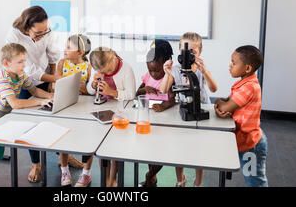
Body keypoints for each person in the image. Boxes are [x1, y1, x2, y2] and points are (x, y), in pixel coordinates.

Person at [5, 6, 83, 182]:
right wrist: (54, 77)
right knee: (31, 124)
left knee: (57, 119)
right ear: (26, 27)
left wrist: (53, 80)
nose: (42, 34)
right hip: (25, 80)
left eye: (45, 30)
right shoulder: (13, 36)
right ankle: (36, 163)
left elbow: (53, 53)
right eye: (38, 33)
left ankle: (63, 156)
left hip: (46, 74)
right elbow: (28, 70)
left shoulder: (45, 29)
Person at [0, 43, 53, 187]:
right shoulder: (2, 76)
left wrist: (51, 97)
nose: (24, 65)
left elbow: (34, 91)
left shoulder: (20, 74)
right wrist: (39, 102)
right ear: (6, 63)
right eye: (20, 62)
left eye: (24, 61)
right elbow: (15, 104)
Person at [159, 32, 218, 187]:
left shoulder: (201, 69)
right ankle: (181, 179)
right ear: (179, 50)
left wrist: (204, 71)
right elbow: (163, 90)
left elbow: (214, 88)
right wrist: (167, 73)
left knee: (199, 151)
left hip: (201, 108)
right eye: (185, 51)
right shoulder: (176, 69)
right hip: (184, 110)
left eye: (193, 52)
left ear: (200, 52)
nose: (189, 55)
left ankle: (198, 182)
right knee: (179, 149)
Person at [214, 45, 268, 187]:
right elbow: (229, 102)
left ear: (248, 69)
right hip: (243, 140)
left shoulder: (249, 87)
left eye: (233, 63)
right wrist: (223, 105)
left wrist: (219, 102)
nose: (230, 66)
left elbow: (226, 105)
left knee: (255, 182)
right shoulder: (244, 83)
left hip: (251, 144)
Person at [87, 47, 136, 187]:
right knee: (101, 148)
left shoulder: (126, 69)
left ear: (114, 58)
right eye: (103, 72)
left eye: (108, 71)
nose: (106, 74)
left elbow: (131, 95)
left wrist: (112, 92)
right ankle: (106, 176)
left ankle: (112, 179)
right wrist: (93, 84)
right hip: (101, 112)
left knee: (115, 149)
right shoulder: (97, 69)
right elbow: (90, 91)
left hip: (120, 112)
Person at [56, 34, 94, 187]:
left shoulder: (88, 67)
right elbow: (55, 84)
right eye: (65, 46)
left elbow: (90, 90)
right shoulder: (61, 63)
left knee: (88, 139)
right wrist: (78, 86)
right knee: (63, 138)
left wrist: (75, 85)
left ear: (80, 53)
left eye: (68, 48)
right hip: (66, 106)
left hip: (84, 107)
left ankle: (86, 174)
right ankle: (64, 170)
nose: (64, 50)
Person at [137, 39, 176, 187]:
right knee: (150, 151)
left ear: (165, 65)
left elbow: (172, 99)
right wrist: (144, 89)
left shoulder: (168, 79)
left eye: (157, 70)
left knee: (159, 152)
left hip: (163, 120)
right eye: (150, 70)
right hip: (148, 118)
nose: (153, 74)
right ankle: (151, 179)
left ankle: (150, 176)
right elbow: (137, 92)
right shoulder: (147, 77)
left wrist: (163, 106)